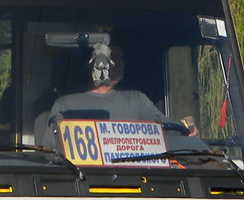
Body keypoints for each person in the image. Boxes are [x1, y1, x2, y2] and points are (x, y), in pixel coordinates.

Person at [42, 44, 193, 146]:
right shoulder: (65, 105)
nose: (120, 63)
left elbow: (165, 128)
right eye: (113, 57)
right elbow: (50, 150)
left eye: (121, 58)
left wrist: (186, 133)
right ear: (92, 63)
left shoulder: (136, 100)